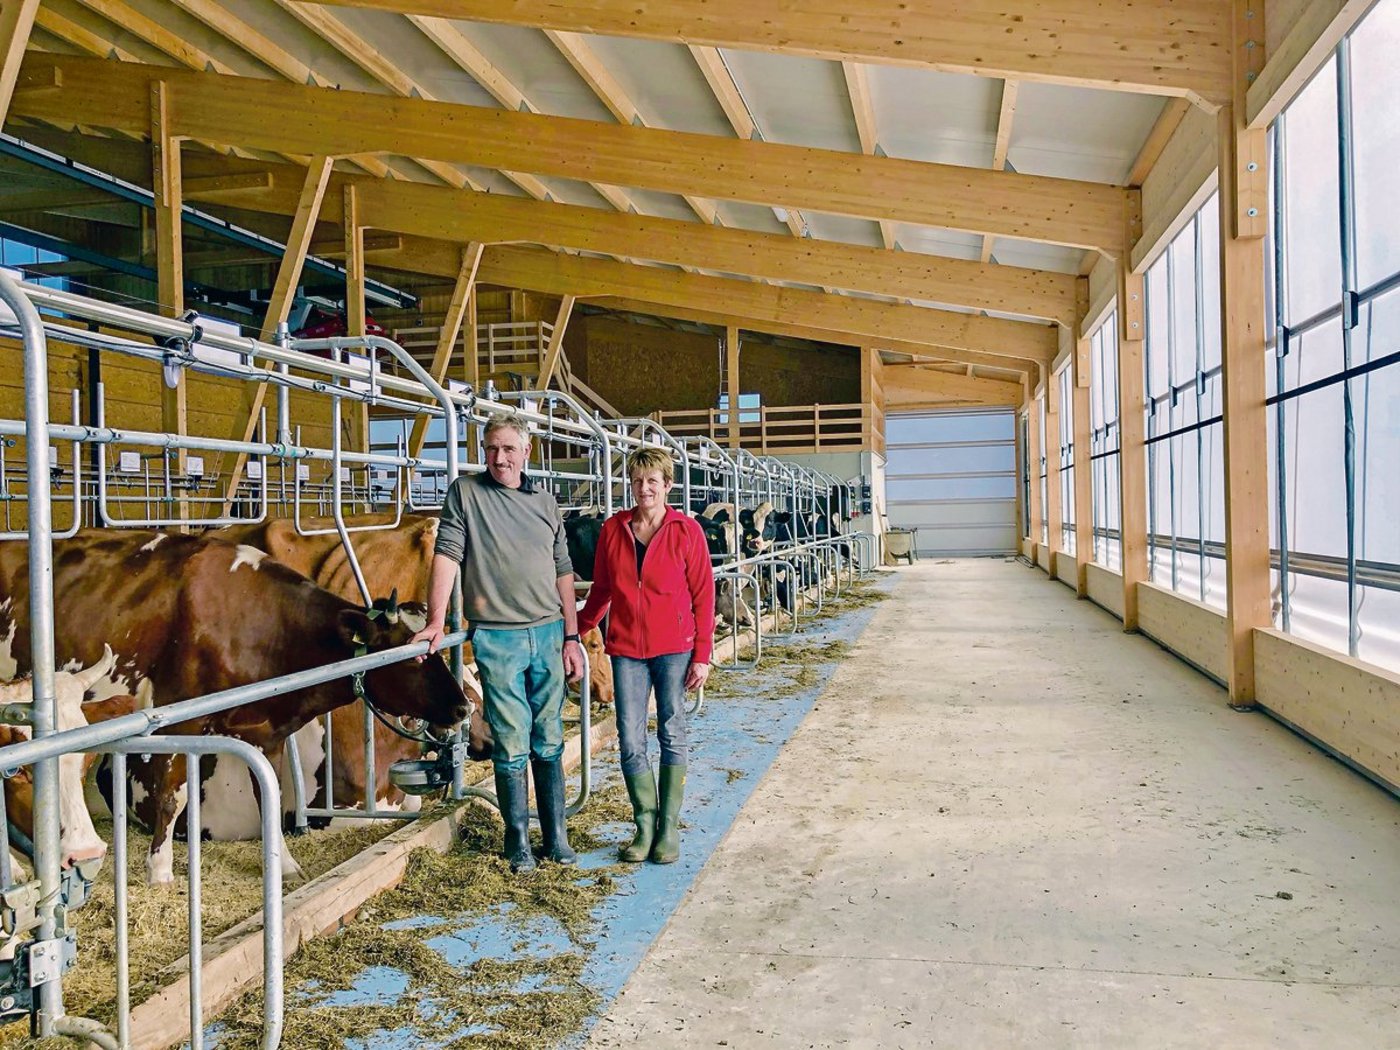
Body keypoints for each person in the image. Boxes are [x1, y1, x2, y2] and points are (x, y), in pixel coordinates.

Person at [413, 413, 586, 873]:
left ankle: (556, 836)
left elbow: (563, 571)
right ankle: (517, 840)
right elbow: (447, 554)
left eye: (509, 448)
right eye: (491, 448)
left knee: (549, 735)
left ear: (526, 451)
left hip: (548, 631)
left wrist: (572, 635)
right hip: (498, 636)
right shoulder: (466, 493)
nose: (499, 457)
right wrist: (435, 619)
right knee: (510, 739)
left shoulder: (545, 502)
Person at [578, 447, 715, 864]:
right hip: (626, 649)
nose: (644, 488)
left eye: (652, 481)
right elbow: (602, 589)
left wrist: (702, 654)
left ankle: (669, 827)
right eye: (637, 481)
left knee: (672, 730)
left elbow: (703, 595)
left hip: (674, 647)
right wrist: (577, 629)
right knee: (630, 737)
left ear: (667, 485)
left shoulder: (686, 531)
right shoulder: (613, 529)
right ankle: (645, 825)